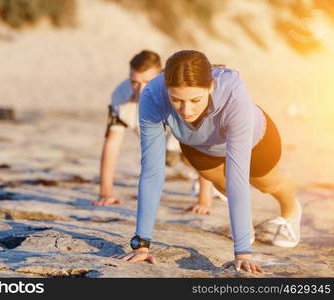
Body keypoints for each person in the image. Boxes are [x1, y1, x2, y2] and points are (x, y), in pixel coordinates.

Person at [118, 50, 302, 273]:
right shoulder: (152, 96)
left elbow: (238, 176)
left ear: (210, 87)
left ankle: (292, 211)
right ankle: (244, 226)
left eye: (195, 100)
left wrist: (242, 253)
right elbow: (152, 171)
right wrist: (142, 245)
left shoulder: (233, 93)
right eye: (176, 100)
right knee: (222, 186)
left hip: (257, 139)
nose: (186, 111)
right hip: (199, 145)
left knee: (265, 183)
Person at [93, 50, 218, 210]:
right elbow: (112, 145)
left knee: (191, 153)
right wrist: (105, 193)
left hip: (203, 145)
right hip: (166, 147)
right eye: (134, 82)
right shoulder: (121, 94)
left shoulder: (178, 94)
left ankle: (212, 183)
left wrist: (203, 201)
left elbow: (203, 144)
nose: (140, 90)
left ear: (161, 77)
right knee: (168, 156)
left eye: (147, 81)